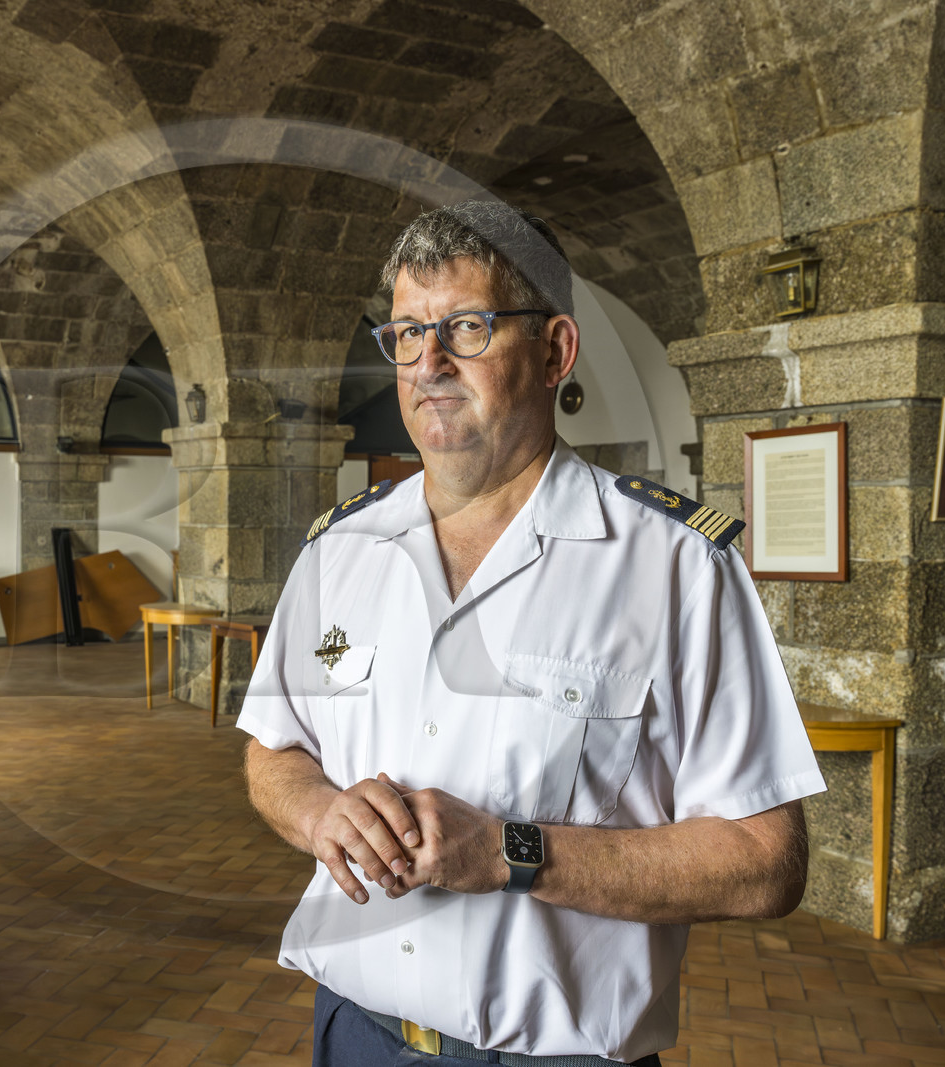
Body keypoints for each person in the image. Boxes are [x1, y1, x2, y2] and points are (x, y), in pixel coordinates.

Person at [237, 200, 826, 1067]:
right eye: (405, 333)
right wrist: (323, 810)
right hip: (353, 1032)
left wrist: (514, 852)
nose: (428, 362)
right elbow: (273, 752)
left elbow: (764, 861)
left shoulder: (674, 568)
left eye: (465, 327)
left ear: (555, 350)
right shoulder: (339, 550)